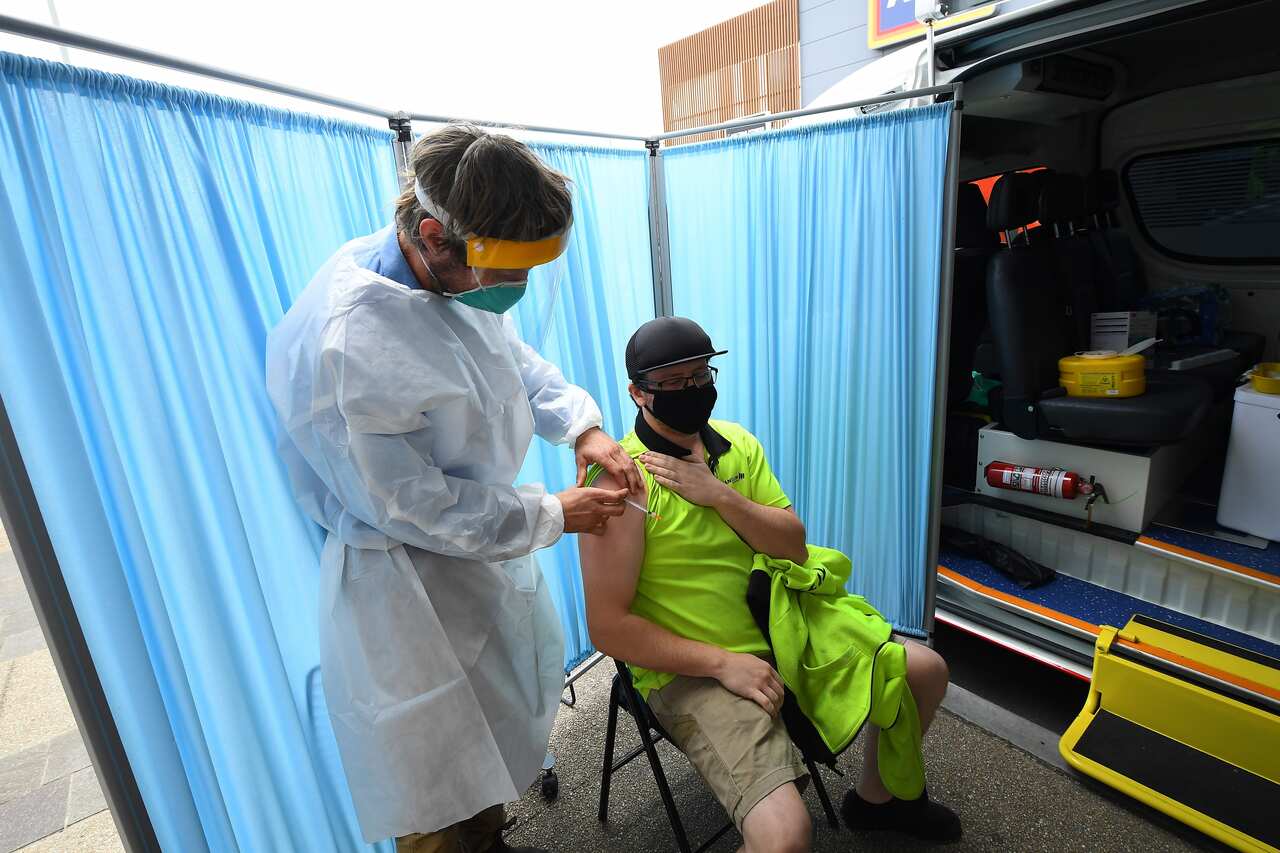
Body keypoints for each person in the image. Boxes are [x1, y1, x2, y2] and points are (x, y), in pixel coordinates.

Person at [266, 124, 642, 853]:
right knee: (432, 778)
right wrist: (551, 512)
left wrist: (582, 425)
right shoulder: (351, 340)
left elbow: (507, 356)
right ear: (434, 235)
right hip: (402, 589)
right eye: (506, 271)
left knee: (487, 749)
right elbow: (412, 504)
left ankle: (490, 839)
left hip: (477, 554)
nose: (517, 291)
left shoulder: (442, 279)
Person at [580, 316, 962, 853]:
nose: (693, 391)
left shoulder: (735, 445)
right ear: (638, 393)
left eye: (701, 376)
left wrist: (718, 494)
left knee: (925, 671)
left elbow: (791, 545)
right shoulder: (623, 483)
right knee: (784, 836)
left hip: (783, 625)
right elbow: (608, 627)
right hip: (695, 665)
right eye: (674, 383)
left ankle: (877, 800)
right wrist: (722, 662)